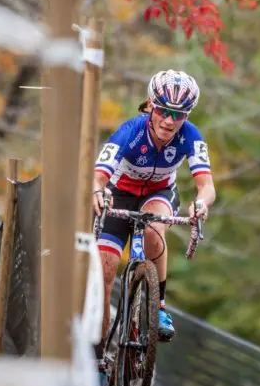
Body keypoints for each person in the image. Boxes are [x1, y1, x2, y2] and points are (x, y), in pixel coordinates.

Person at [92, 69, 216, 346]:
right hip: (119, 193)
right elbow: (98, 177)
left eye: (179, 114)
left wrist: (200, 203)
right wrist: (98, 192)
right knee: (105, 270)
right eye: (163, 111)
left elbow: (207, 186)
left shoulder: (191, 136)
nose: (170, 120)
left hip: (158, 193)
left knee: (154, 230)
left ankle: (158, 308)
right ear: (150, 106)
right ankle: (98, 349)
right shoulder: (130, 131)